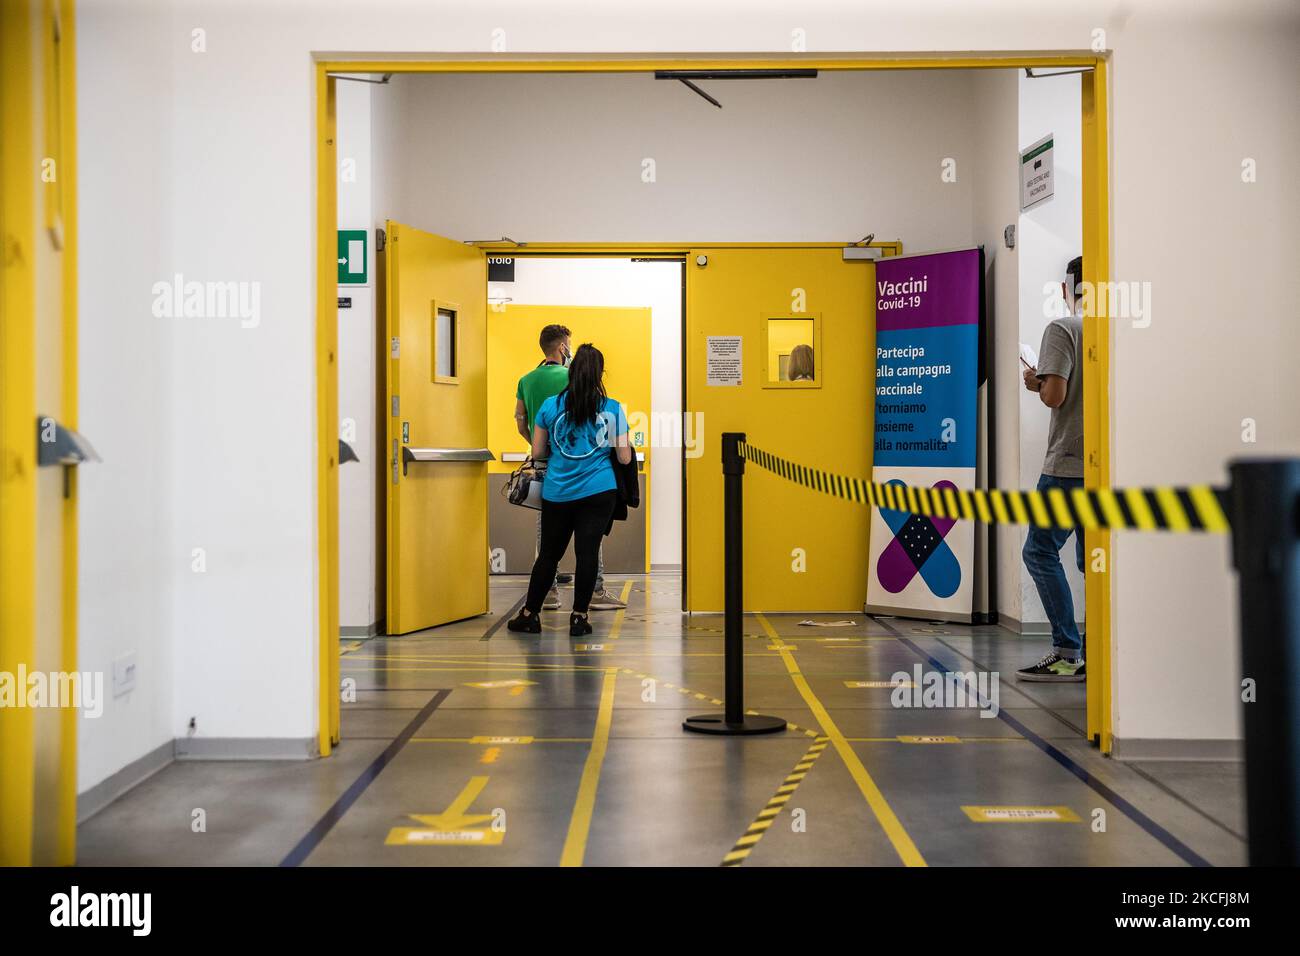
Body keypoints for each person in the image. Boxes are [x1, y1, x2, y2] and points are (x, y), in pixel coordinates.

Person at [509, 344, 633, 637]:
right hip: (599, 491)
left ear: (571, 371)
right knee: (587, 553)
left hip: (559, 491)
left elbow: (538, 451)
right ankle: (579, 617)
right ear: (600, 374)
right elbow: (625, 457)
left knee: (549, 555)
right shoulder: (612, 408)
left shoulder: (550, 406)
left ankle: (531, 614)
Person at [1017, 255, 1086, 682]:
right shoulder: (1120, 329)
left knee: (1039, 551)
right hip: (1107, 467)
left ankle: (1066, 651)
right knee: (1091, 562)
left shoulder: (1063, 329)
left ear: (1067, 288)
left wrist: (1036, 380)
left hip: (1066, 466)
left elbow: (1054, 396)